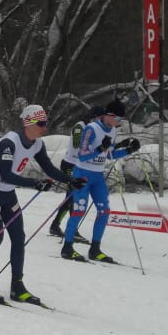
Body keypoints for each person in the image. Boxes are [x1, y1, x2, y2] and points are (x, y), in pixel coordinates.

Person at [0, 104, 86, 305]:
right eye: (41, 123)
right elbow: (5, 174)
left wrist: (70, 180)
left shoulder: (36, 144)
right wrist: (35, 183)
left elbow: (50, 169)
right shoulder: (10, 142)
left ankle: (17, 286)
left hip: (8, 194)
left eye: (46, 123)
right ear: (29, 123)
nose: (45, 127)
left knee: (19, 237)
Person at [61, 99, 140, 263]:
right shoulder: (92, 129)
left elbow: (109, 155)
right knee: (78, 210)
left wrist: (128, 150)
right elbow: (82, 154)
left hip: (97, 176)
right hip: (82, 173)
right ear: (108, 115)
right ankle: (67, 247)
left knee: (104, 211)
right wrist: (99, 148)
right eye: (117, 119)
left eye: (120, 120)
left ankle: (95, 249)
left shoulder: (112, 131)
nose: (118, 123)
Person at [48, 107, 98, 243]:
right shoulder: (79, 127)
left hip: (80, 167)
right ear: (92, 117)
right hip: (70, 166)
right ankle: (69, 228)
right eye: (98, 119)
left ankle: (55, 225)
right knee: (74, 197)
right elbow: (77, 145)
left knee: (72, 198)